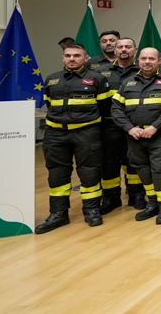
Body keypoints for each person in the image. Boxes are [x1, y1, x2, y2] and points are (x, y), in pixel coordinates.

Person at [35, 43, 111, 233]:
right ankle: (58, 214)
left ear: (86, 59)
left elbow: (104, 107)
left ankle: (91, 209)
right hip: (55, 134)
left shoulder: (97, 79)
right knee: (57, 174)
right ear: (63, 58)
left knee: (89, 173)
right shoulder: (52, 79)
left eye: (76, 55)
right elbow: (49, 103)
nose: (71, 59)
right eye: (68, 55)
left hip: (86, 133)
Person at [111, 47, 161, 224]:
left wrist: (155, 126)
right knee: (142, 169)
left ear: (159, 61)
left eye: (152, 58)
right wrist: (129, 128)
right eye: (143, 58)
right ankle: (152, 203)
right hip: (135, 136)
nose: (147, 62)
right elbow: (116, 108)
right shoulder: (128, 83)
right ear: (138, 61)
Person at [90, 37, 142, 212]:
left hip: (135, 126)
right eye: (120, 47)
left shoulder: (144, 71)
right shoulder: (100, 73)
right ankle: (111, 198)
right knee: (109, 163)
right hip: (108, 125)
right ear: (115, 50)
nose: (123, 49)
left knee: (134, 161)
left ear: (135, 50)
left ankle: (136, 196)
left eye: (128, 46)